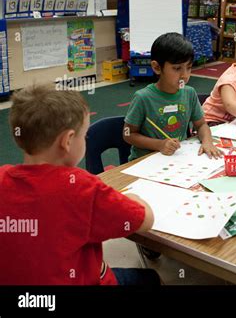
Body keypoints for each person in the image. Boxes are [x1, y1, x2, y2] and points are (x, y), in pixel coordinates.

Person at [0, 84, 160, 285]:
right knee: (150, 279)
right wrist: (133, 199)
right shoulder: (83, 188)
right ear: (67, 141)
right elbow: (145, 220)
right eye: (84, 135)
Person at [124, 32, 221, 160]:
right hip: (146, 161)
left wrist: (207, 141)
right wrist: (159, 144)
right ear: (157, 67)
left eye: (189, 68)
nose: (184, 75)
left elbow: (202, 125)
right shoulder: (143, 98)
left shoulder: (189, 93)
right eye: (177, 68)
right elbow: (128, 134)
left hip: (176, 158)